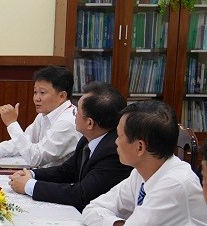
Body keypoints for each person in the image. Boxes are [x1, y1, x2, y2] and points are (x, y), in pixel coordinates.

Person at [82, 100, 207, 226]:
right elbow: (91, 209)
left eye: (119, 136)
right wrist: (119, 224)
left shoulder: (175, 184)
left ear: (140, 147)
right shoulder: (143, 172)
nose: (115, 142)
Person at [8, 82, 131, 210]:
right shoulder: (88, 139)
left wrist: (30, 186)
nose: (74, 115)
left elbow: (81, 194)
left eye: (76, 111)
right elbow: (67, 171)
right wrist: (32, 175)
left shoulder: (113, 151)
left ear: (89, 123)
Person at [0, 66, 80, 168]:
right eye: (35, 92)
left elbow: (35, 158)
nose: (36, 98)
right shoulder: (44, 115)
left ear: (62, 96)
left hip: (61, 183)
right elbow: (24, 142)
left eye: (42, 93)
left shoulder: (67, 122)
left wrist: (12, 124)